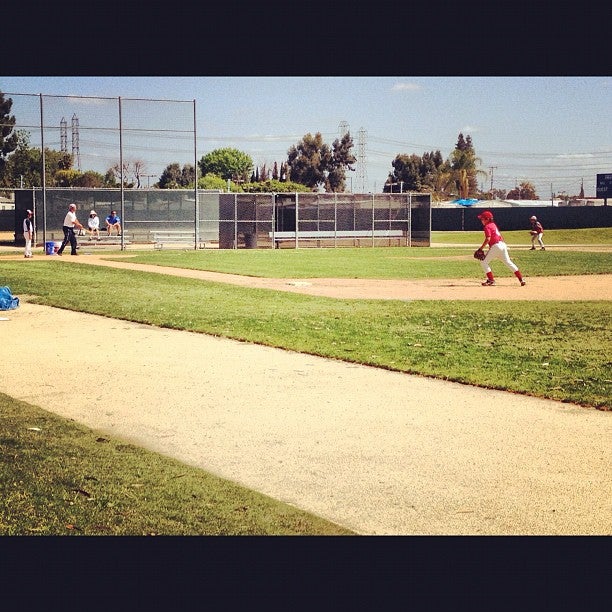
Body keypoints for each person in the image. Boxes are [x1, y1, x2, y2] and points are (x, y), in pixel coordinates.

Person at [476, 210, 526, 286]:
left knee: (484, 263)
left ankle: (491, 280)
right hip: (502, 245)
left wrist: (481, 248)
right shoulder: (493, 225)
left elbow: (488, 239)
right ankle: (521, 279)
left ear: (487, 219)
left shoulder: (487, 226)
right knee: (508, 263)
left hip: (496, 246)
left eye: (482, 219)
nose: (481, 220)